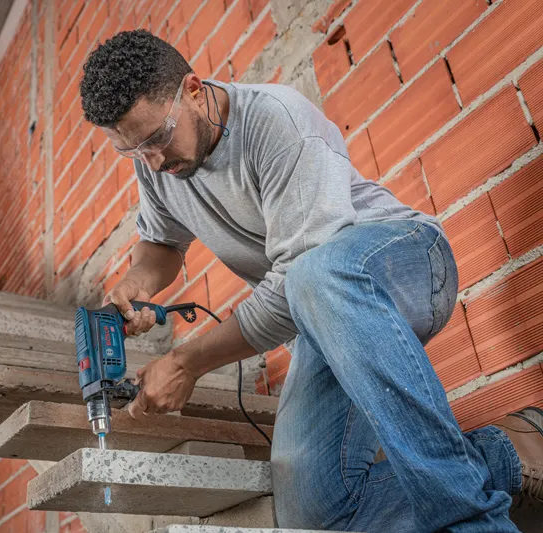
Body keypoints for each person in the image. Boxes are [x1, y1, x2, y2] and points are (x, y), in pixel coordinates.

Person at [78, 29, 542, 532]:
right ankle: (507, 454)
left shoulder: (276, 120)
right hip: (316, 309)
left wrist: (187, 362)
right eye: (131, 151)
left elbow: (299, 274)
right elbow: (162, 247)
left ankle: (474, 521)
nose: (151, 162)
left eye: (155, 139)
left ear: (194, 89)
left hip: (403, 262)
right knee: (316, 512)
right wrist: (137, 282)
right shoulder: (155, 163)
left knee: (314, 274)